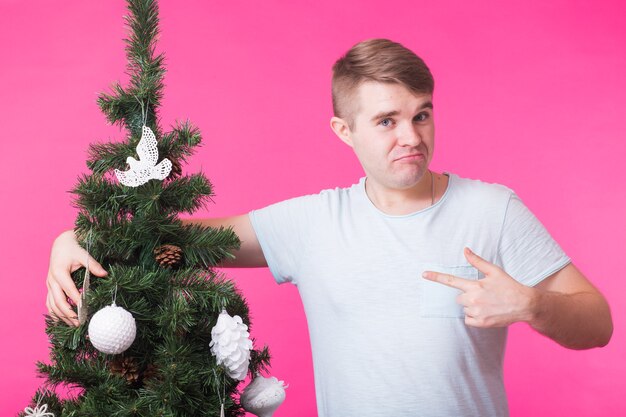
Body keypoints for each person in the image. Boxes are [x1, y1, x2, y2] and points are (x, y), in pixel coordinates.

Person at [46, 39, 613, 417]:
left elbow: (599, 323)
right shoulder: (313, 222)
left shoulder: (494, 210)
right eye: (386, 121)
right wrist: (74, 239)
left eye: (422, 113)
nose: (411, 136)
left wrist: (535, 304)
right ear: (344, 131)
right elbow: (175, 240)